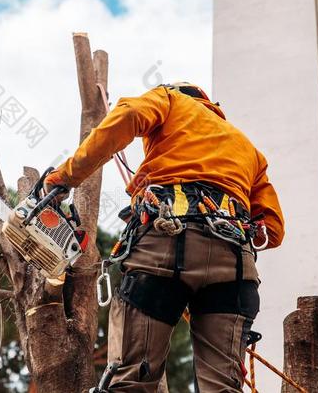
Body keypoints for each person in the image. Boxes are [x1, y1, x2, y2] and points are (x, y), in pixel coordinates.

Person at [44, 83, 285, 392]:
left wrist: (64, 177)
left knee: (132, 380)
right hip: (235, 266)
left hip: (164, 248)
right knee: (224, 387)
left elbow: (129, 114)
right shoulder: (247, 147)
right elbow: (273, 230)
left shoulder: (170, 99)